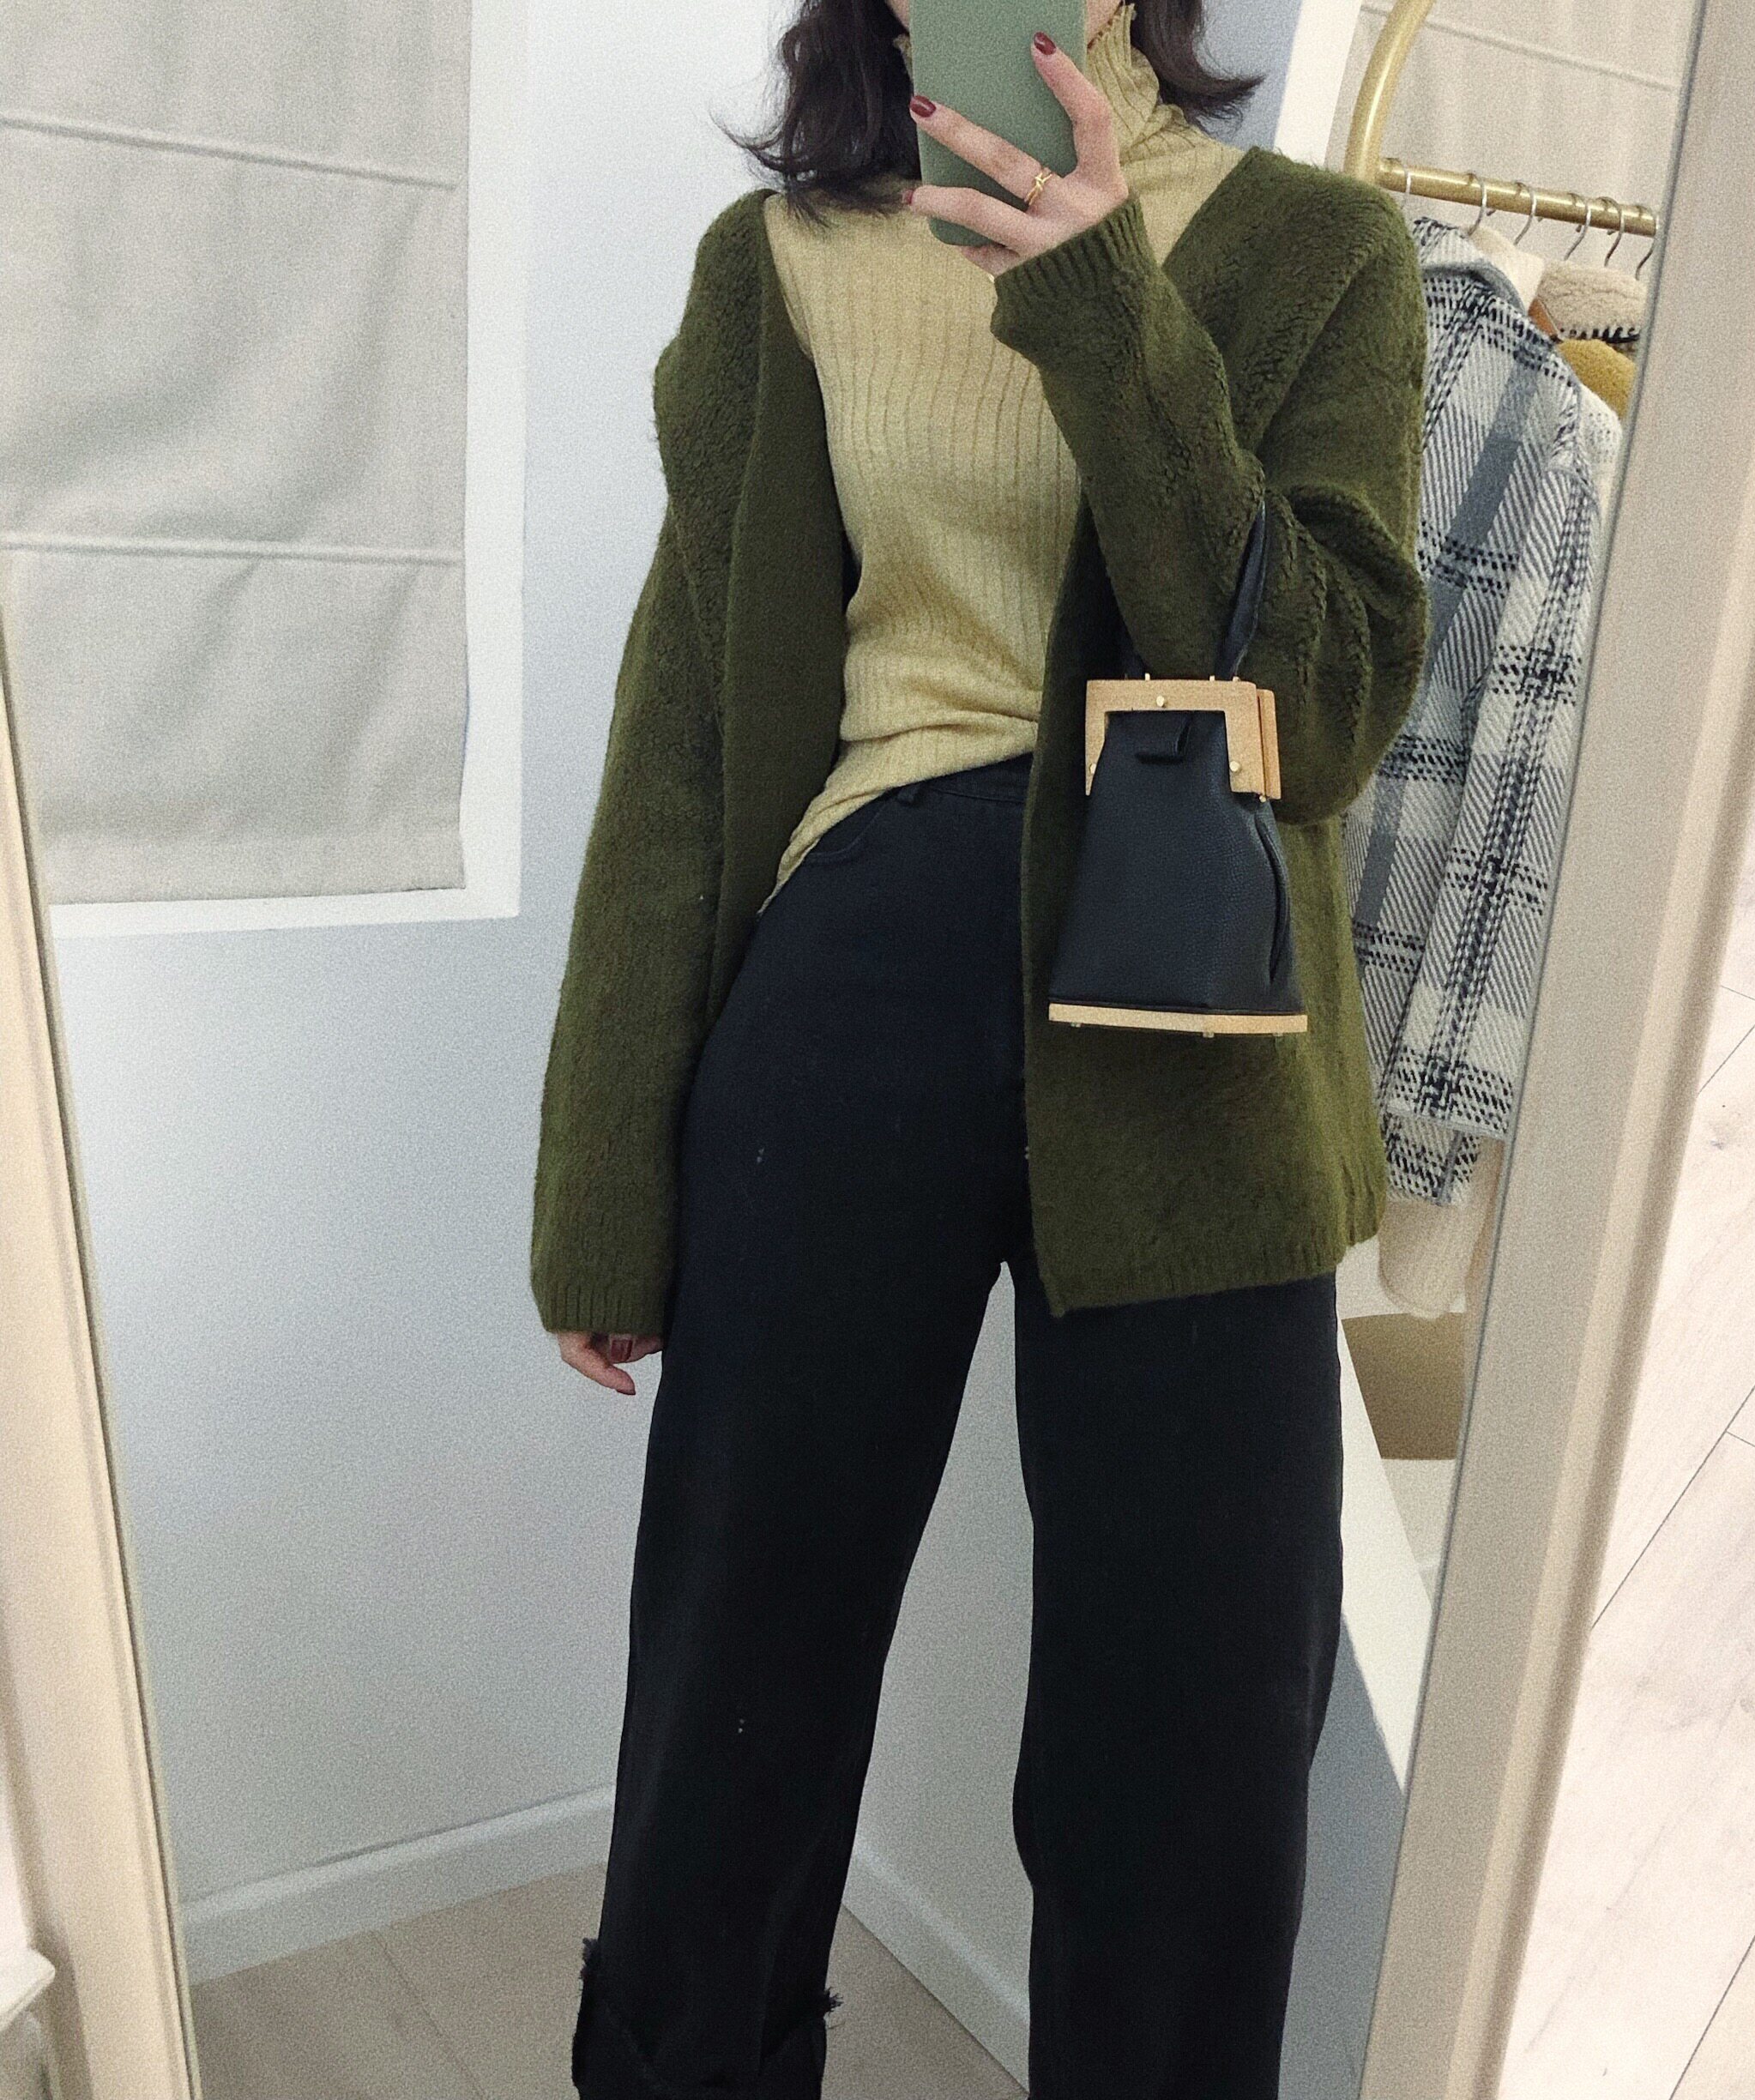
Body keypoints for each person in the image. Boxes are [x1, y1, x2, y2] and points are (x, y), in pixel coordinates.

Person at [532, 2, 1428, 2091]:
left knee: (1194, 1745)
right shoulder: (780, 265)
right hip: (854, 978)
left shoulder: (1317, 252)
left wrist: (1108, 306)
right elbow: (688, 726)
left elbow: (1324, 704)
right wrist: (604, 1177)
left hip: (1195, 1028)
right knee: (738, 1680)